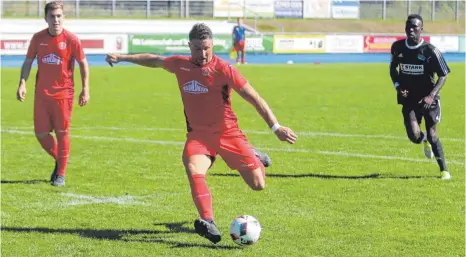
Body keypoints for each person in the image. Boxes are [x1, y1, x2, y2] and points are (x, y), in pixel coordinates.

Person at [105, 23, 297, 244]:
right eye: (197, 48)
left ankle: (253, 155)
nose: (203, 53)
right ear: (189, 46)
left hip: (228, 134)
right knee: (193, 168)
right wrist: (122, 57)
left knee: (258, 184)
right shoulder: (180, 65)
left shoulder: (224, 69)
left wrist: (276, 128)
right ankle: (208, 221)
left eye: (206, 48)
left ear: (212, 44)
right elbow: (154, 60)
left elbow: (254, 97)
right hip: (198, 136)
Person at [16, 1, 90, 187]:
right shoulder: (37, 38)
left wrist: (85, 88)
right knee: (41, 133)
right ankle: (61, 160)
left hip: (64, 95)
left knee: (62, 132)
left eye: (59, 16)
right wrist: (22, 83)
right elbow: (27, 62)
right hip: (41, 94)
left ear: (63, 17)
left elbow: (83, 64)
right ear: (46, 18)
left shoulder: (72, 40)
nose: (56, 20)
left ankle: (61, 174)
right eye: (52, 16)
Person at [389, 14, 451, 180]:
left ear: (421, 29)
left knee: (433, 134)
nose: (411, 29)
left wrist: (432, 95)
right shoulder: (397, 47)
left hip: (428, 99)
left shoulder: (431, 51)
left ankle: (444, 170)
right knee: (414, 136)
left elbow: (443, 75)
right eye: (408, 26)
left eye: (415, 27)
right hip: (409, 99)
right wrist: (398, 86)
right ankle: (423, 140)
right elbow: (392, 69)